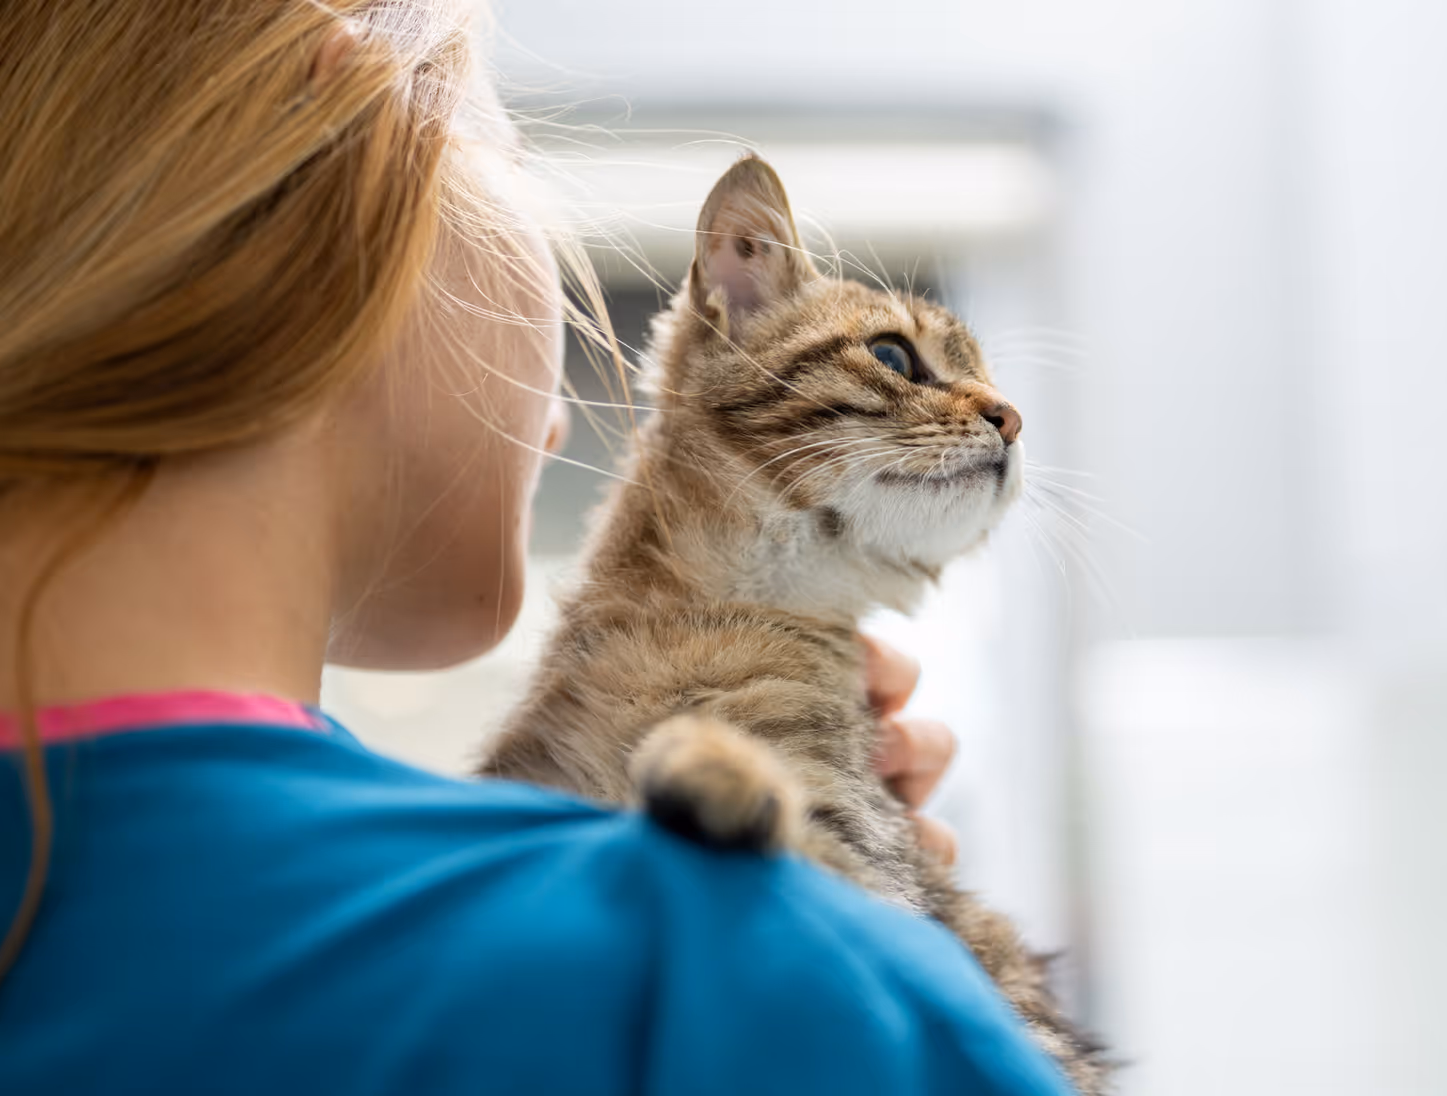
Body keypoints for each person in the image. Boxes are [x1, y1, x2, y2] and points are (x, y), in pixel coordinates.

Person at [0, 2, 1073, 1093]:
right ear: (328, 153)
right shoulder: (749, 986)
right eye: (507, 150)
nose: (563, 414)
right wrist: (828, 954)